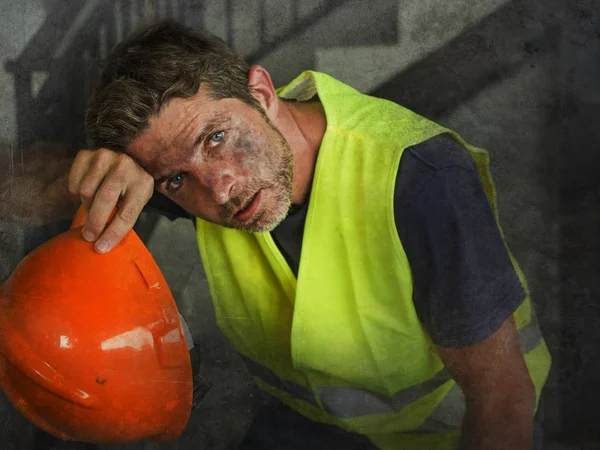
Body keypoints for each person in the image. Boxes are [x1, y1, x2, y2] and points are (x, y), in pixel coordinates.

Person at [66, 20, 551, 450]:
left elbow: (502, 401)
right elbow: (20, 188)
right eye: (175, 179)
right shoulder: (189, 176)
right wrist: (90, 174)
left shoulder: (421, 176)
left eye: (215, 138)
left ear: (261, 93)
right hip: (312, 425)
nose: (219, 190)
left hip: (448, 435)